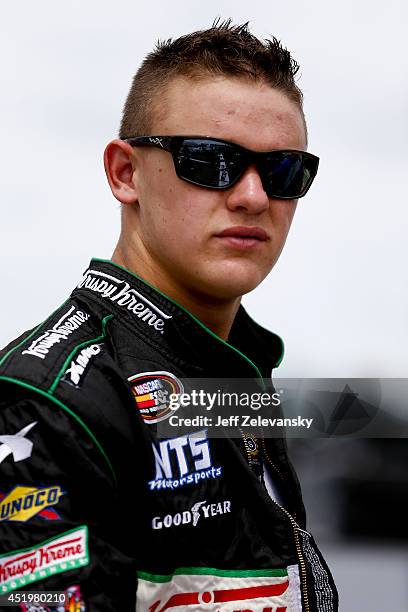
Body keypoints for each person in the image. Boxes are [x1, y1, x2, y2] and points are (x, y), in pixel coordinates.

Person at [0, 20, 338, 612]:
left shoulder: (231, 367)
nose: (253, 196)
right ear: (125, 173)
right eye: (210, 162)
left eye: (284, 170)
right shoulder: (50, 402)